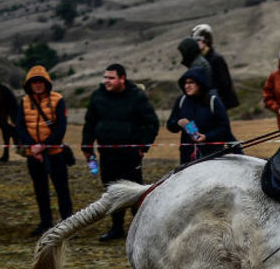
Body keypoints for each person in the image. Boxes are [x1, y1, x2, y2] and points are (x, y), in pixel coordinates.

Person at [82, 63, 159, 241]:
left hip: (130, 154)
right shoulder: (97, 96)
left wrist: (143, 146)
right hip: (107, 153)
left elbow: (152, 123)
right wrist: (87, 146)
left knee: (134, 191)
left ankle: (142, 230)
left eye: (111, 78)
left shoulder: (136, 96)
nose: (106, 81)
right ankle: (116, 228)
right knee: (112, 190)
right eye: (105, 77)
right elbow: (89, 123)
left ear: (122, 79)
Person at [16, 65, 74, 236]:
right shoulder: (24, 101)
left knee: (61, 189)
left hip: (55, 153)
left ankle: (68, 223)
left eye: (41, 82)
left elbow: (61, 128)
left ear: (47, 83)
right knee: (40, 189)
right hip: (33, 155)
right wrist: (33, 147)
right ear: (29, 85)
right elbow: (20, 126)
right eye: (34, 82)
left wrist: (44, 145)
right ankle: (45, 223)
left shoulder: (58, 99)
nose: (38, 85)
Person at [166, 63, 234, 164]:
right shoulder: (181, 100)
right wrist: (178, 123)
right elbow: (170, 125)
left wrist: (206, 136)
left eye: (191, 83)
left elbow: (224, 127)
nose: (186, 86)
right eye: (185, 83)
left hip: (212, 155)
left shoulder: (213, 101)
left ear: (200, 83)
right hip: (187, 156)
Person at [191, 24, 240, 110]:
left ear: (206, 41)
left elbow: (224, 83)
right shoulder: (198, 60)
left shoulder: (216, 59)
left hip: (217, 101)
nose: (195, 43)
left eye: (198, 40)